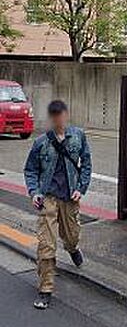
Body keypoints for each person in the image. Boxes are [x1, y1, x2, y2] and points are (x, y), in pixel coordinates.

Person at [24, 99, 92, 309]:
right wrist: (34, 192)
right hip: (49, 198)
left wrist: (81, 188)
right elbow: (30, 169)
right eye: (54, 117)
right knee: (46, 244)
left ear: (66, 115)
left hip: (70, 198)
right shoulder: (41, 142)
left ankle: (72, 248)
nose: (58, 120)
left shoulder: (78, 136)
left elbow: (86, 164)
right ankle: (45, 289)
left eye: (60, 116)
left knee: (71, 235)